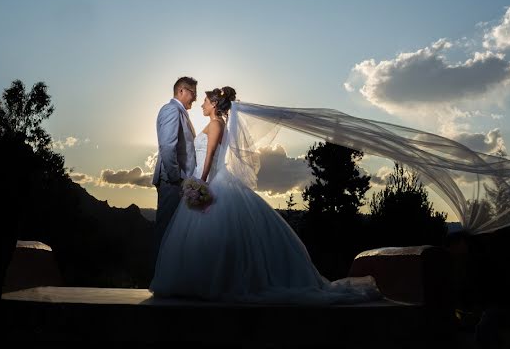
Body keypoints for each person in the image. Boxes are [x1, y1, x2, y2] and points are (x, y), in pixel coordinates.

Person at [149, 86, 381, 304]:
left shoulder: (216, 125)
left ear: (215, 105)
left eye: (206, 101)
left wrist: (201, 181)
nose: (202, 104)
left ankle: (214, 282)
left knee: (209, 236)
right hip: (209, 179)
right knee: (204, 238)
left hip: (210, 179)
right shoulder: (216, 123)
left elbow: (209, 155)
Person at [151, 76, 198, 264]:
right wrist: (175, 179)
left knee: (176, 232)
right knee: (166, 231)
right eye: (193, 93)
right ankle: (159, 279)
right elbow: (168, 147)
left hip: (180, 182)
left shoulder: (180, 113)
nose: (194, 98)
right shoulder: (171, 110)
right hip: (172, 182)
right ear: (181, 91)